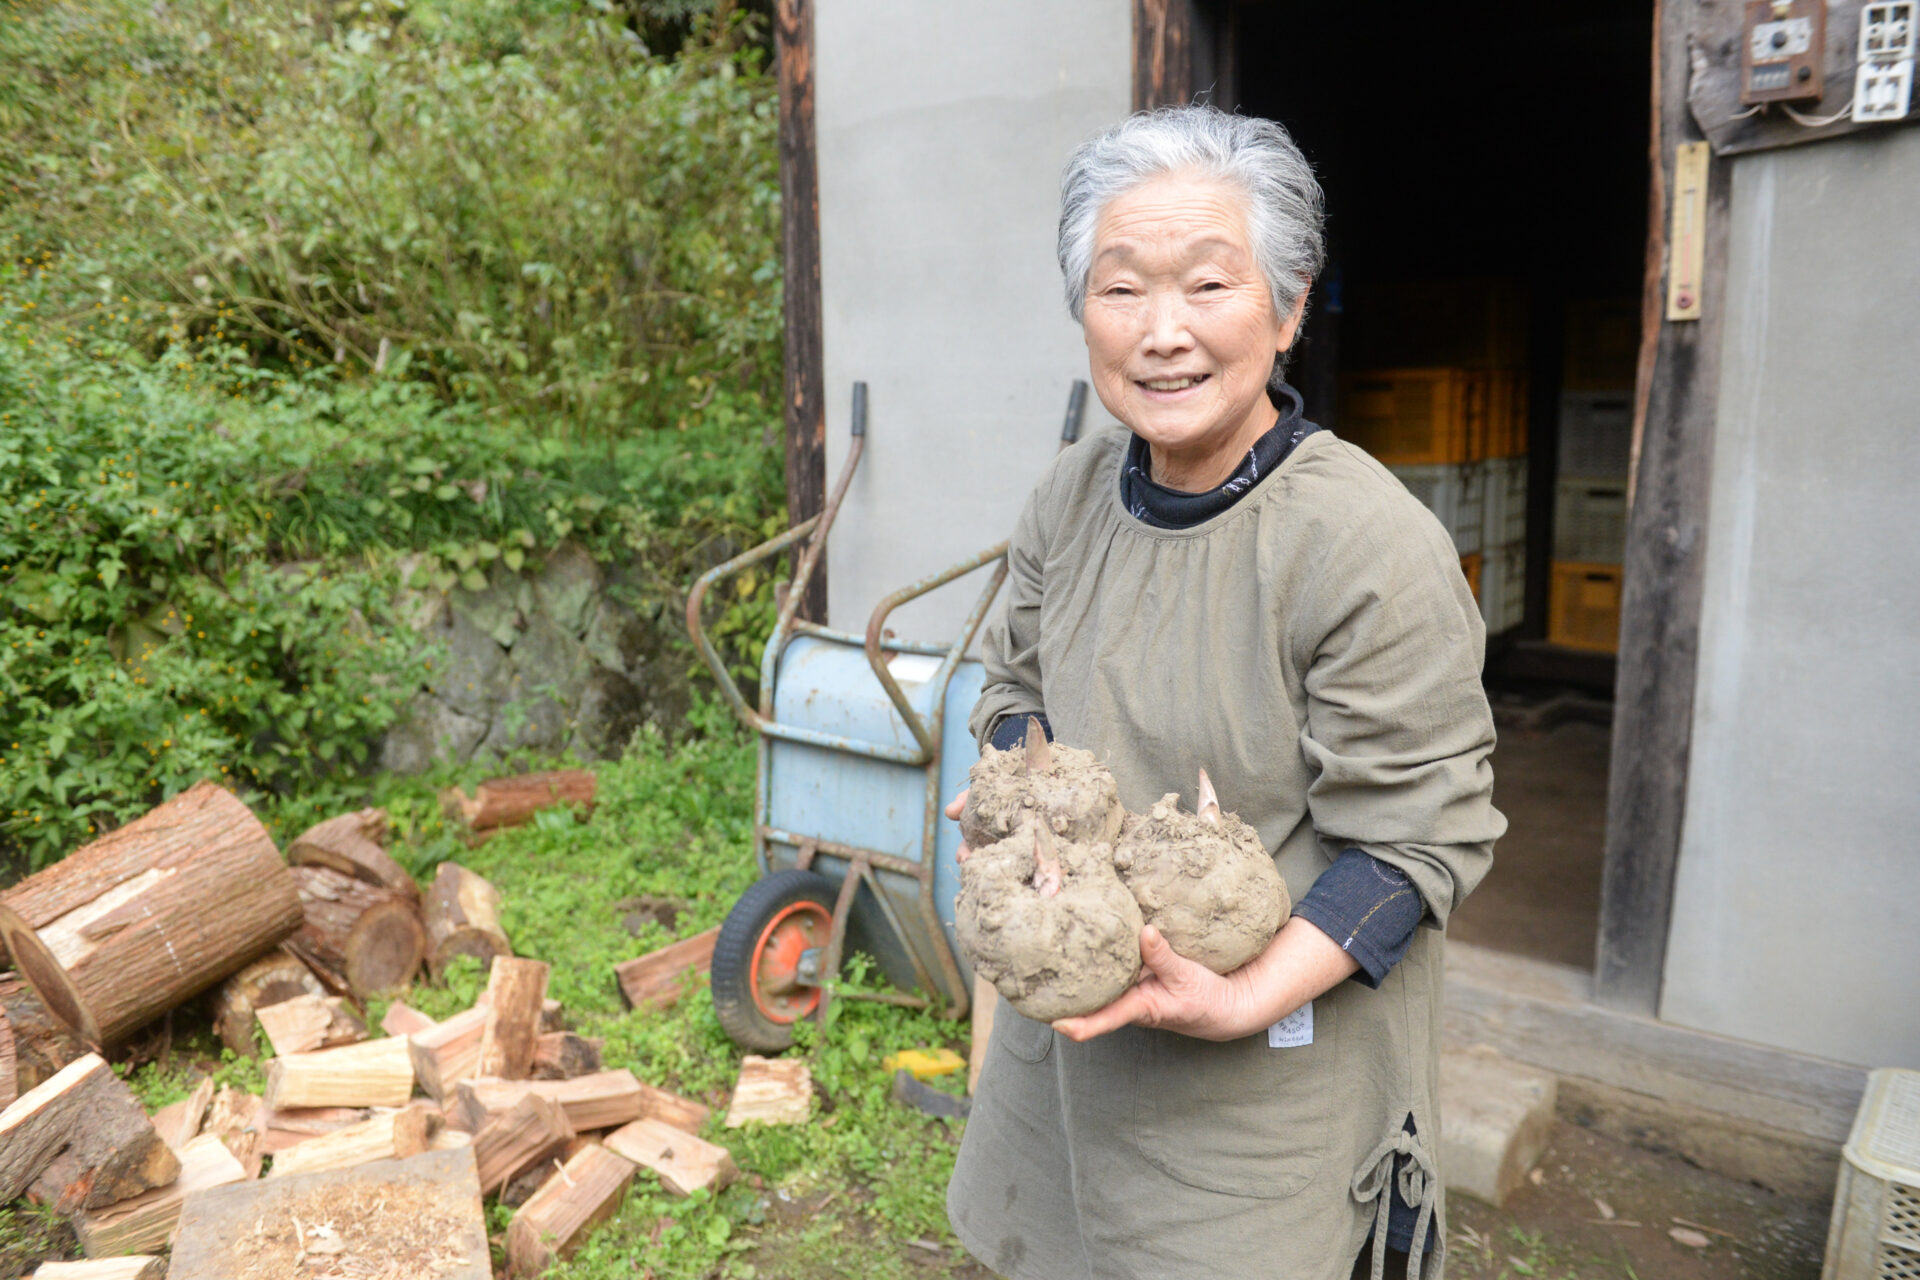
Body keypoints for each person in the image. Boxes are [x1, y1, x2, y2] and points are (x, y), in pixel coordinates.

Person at [943, 105, 1505, 1280]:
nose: (1161, 335)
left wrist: (1242, 992)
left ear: (1290, 307)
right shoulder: (1071, 495)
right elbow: (1014, 677)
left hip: (1265, 1088)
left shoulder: (1363, 544)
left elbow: (1416, 840)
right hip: (1073, 1044)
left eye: (1208, 285)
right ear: (1081, 311)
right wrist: (1024, 789)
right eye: (1120, 290)